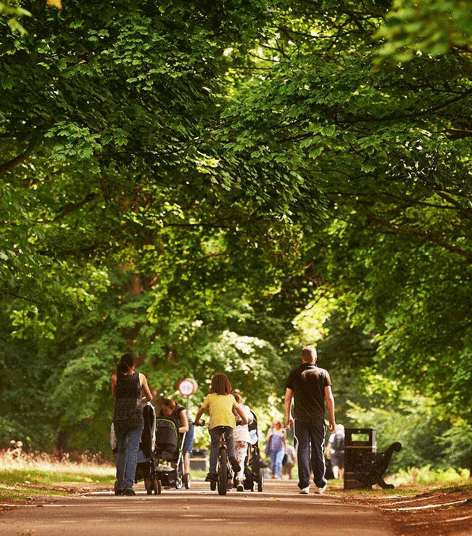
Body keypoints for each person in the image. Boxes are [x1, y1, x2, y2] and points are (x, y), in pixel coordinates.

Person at [284, 345, 336, 495]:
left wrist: (288, 417)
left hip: (300, 418)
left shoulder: (294, 373)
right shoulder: (322, 373)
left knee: (302, 449)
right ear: (315, 358)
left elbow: (287, 399)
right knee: (318, 449)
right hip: (318, 418)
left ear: (302, 358)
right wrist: (332, 419)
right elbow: (329, 398)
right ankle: (319, 485)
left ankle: (304, 485)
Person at [111, 353, 153, 496]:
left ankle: (120, 485)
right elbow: (150, 397)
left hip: (120, 419)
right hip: (135, 419)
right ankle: (129, 486)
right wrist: (139, 399)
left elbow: (115, 396)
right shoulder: (140, 377)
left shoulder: (115, 377)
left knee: (121, 450)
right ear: (133, 366)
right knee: (132, 451)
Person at [194, 373, 248, 482]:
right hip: (229, 423)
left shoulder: (210, 397)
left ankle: (212, 472)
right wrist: (245, 420)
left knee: (215, 445)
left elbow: (201, 410)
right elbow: (239, 410)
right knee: (230, 439)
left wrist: (197, 421)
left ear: (213, 385)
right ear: (227, 385)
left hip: (215, 424)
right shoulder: (231, 397)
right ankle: (232, 457)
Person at [159, 398, 194, 484]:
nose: (164, 412)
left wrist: (173, 430)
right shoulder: (162, 412)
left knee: (184, 451)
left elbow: (186, 427)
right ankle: (173, 475)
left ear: (173, 409)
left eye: (166, 410)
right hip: (173, 430)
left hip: (186, 429)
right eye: (163, 409)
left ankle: (186, 473)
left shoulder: (180, 410)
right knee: (172, 448)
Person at [232, 391, 254, 491]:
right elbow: (250, 419)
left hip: (229, 437)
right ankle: (239, 480)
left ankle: (229, 479)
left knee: (230, 459)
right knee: (240, 460)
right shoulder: (245, 408)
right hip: (242, 437)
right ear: (240, 400)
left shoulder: (226, 408)